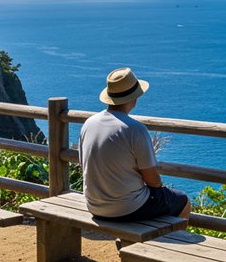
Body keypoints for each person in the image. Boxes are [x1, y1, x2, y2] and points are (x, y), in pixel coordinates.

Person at [78, 67, 190, 221]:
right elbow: (153, 180)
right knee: (183, 201)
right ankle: (170, 237)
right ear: (135, 97)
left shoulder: (89, 123)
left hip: (94, 205)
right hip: (128, 208)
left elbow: (83, 164)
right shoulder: (135, 129)